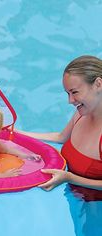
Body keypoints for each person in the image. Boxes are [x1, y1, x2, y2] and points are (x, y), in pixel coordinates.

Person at [18, 55, 102, 192]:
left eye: (74, 92)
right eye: (68, 93)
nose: (70, 100)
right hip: (77, 197)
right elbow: (61, 137)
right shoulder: (82, 113)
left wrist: (69, 178)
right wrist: (17, 133)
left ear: (98, 84)